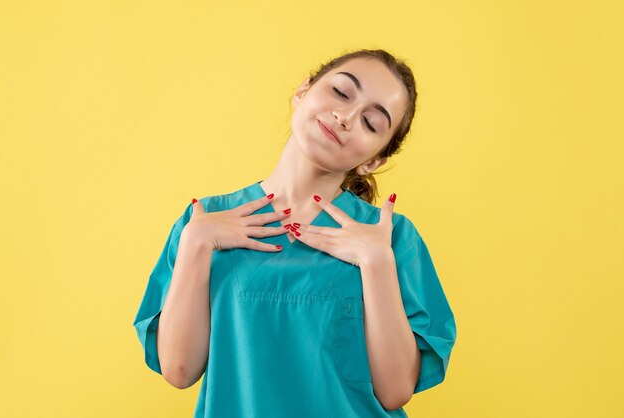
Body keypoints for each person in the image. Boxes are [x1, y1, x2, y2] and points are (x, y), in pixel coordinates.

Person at [133, 48, 457, 417]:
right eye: (341, 92)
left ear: (374, 160)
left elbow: (396, 391)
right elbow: (178, 370)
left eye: (371, 122)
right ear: (303, 91)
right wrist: (196, 243)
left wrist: (377, 261)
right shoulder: (204, 222)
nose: (345, 117)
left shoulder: (392, 237)